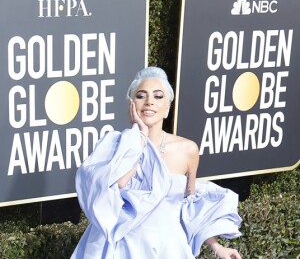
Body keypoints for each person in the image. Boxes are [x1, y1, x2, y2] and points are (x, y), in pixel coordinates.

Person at [71, 66, 242, 259]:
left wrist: (217, 246)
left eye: (158, 96)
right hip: (117, 248)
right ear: (131, 104)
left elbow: (189, 206)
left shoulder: (188, 150)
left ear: (168, 106)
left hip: (166, 248)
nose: (149, 101)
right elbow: (119, 183)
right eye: (141, 95)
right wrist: (141, 137)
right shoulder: (113, 145)